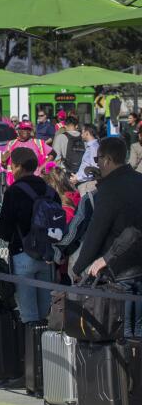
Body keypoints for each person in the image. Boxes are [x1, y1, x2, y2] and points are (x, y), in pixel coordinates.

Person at [76, 137, 142, 337]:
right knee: (139, 333)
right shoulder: (139, 180)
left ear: (107, 159)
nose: (97, 164)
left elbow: (97, 231)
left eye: (98, 159)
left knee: (123, 334)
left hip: (118, 269)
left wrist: (80, 267)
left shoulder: (110, 190)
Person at [0, 147, 55, 326]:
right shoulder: (49, 191)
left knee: (29, 316)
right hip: (48, 256)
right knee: (46, 315)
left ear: (17, 166)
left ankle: (30, 352)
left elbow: (3, 231)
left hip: (22, 255)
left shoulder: (14, 192)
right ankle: (46, 351)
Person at [72, 124, 101, 196]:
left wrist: (78, 178)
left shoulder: (94, 148)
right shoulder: (91, 147)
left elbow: (95, 169)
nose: (81, 135)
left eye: (82, 132)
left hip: (88, 186)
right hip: (84, 184)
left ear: (87, 133)